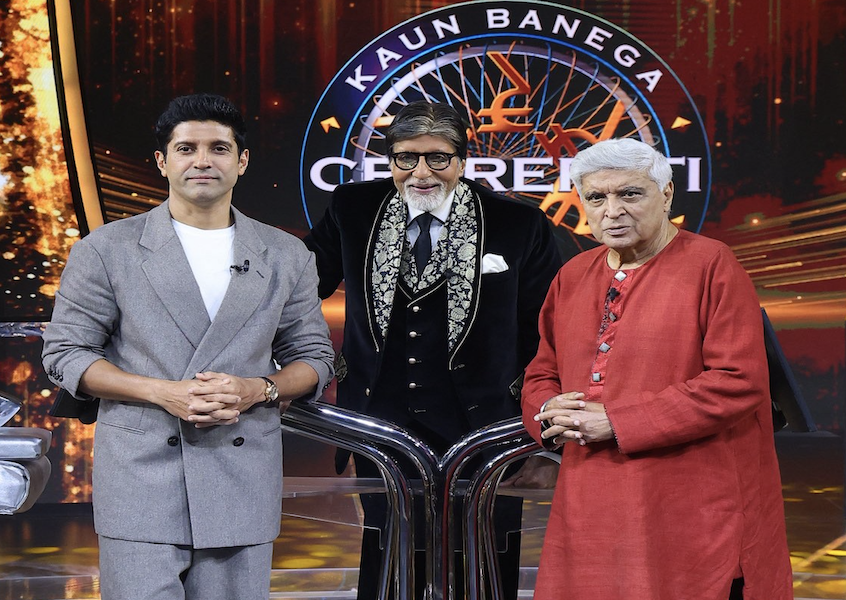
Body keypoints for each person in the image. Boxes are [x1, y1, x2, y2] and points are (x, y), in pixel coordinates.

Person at [42, 93, 334, 600]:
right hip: (140, 476)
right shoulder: (106, 249)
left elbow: (315, 357)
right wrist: (162, 392)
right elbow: (65, 353)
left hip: (241, 473)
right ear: (162, 162)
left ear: (242, 161)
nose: (203, 160)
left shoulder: (287, 254)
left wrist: (257, 389)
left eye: (219, 148)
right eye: (186, 148)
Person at [303, 100, 562, 599]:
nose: (421, 172)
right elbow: (297, 289)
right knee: (388, 561)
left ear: (462, 161)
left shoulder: (517, 223)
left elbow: (551, 333)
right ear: (391, 160)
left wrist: (544, 440)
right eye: (406, 158)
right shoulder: (352, 208)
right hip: (378, 426)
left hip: (488, 429)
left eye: (437, 158)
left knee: (485, 565)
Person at [522, 138, 792, 600]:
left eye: (630, 194)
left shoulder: (712, 264)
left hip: (690, 496)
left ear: (666, 195)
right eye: (596, 198)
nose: (612, 211)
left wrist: (617, 421)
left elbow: (738, 381)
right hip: (589, 495)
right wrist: (548, 410)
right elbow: (540, 372)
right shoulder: (573, 274)